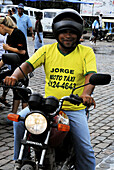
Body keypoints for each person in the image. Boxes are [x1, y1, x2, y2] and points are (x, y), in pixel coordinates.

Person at [4, 9, 97, 170]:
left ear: (78, 33)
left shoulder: (86, 52)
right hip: (48, 106)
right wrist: (14, 76)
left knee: (85, 148)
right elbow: (27, 65)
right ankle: (22, 158)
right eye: (64, 32)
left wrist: (85, 94)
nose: (68, 36)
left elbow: (91, 76)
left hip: (73, 108)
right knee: (20, 121)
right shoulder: (47, 50)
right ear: (56, 32)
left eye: (72, 32)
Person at [0, 16, 29, 114]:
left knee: (23, 92)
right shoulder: (9, 36)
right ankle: (13, 114)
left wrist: (8, 48)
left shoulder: (18, 33)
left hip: (22, 67)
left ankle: (25, 115)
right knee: (15, 91)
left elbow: (22, 51)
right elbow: (7, 57)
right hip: (13, 66)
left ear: (2, 26)